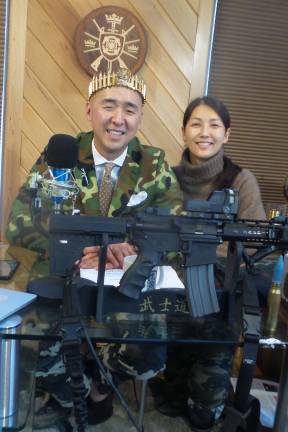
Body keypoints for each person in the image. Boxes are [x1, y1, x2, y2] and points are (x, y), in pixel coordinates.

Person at [6, 67, 183, 428]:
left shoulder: (153, 164)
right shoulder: (61, 156)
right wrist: (80, 249)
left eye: (130, 109)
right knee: (28, 341)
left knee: (150, 350)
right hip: (65, 281)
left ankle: (98, 384)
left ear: (140, 117)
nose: (118, 119)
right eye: (109, 106)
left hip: (125, 285)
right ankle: (84, 392)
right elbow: (19, 222)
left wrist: (132, 249)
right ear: (89, 111)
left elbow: (174, 235)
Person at [150, 96, 266, 432]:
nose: (205, 132)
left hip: (216, 308)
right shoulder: (165, 180)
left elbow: (255, 243)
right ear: (184, 131)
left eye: (214, 125)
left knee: (204, 414)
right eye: (196, 124)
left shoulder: (242, 181)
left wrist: (202, 252)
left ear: (227, 134)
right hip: (168, 302)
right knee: (170, 404)